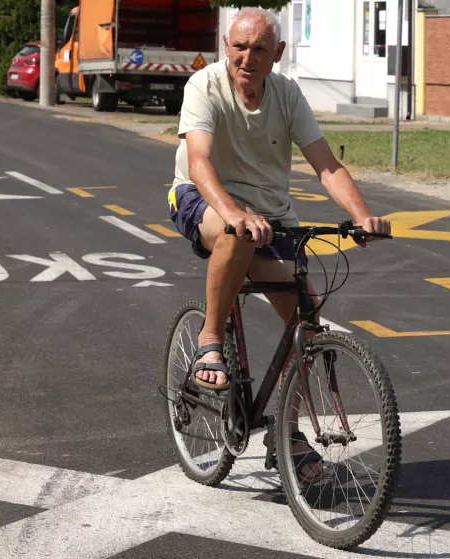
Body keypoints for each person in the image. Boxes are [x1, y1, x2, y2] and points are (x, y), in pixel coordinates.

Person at [168, 8, 391, 482]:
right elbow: (201, 160)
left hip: (272, 217)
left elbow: (326, 165)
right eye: (239, 47)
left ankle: (284, 435)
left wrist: (361, 216)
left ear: (279, 55)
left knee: (305, 322)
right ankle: (210, 339)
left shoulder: (288, 95)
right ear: (226, 45)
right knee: (237, 234)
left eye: (260, 50)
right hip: (203, 199)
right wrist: (234, 213)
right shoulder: (204, 86)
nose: (247, 58)